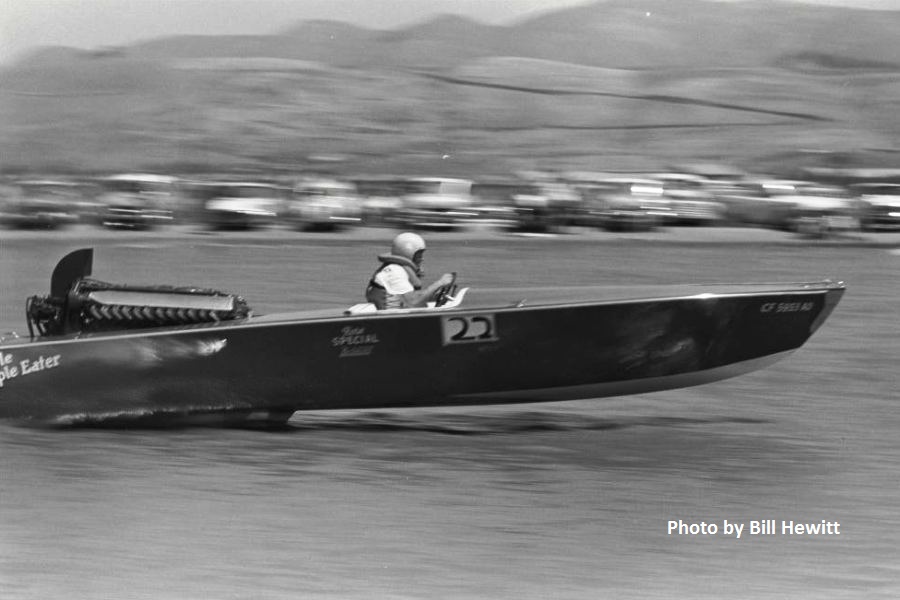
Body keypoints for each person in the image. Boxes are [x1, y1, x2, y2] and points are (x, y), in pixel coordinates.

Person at [365, 232, 455, 309]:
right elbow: (413, 301)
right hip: (389, 320)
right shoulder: (395, 271)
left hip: (395, 316)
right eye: (419, 255)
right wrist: (440, 283)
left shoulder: (398, 269)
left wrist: (434, 297)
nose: (422, 259)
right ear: (408, 253)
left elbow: (409, 298)